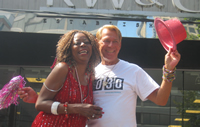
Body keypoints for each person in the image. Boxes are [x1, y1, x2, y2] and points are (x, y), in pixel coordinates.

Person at [18, 25, 181, 127]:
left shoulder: (133, 70)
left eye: (115, 41)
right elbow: (75, 102)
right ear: (96, 43)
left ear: (120, 44)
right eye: (106, 41)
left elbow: (161, 99)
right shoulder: (88, 71)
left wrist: (168, 70)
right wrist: (39, 98)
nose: (111, 45)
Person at [18, 30, 103, 127]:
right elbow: (40, 104)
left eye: (86, 42)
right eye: (77, 43)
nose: (83, 44)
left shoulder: (90, 76)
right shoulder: (63, 68)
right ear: (69, 49)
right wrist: (77, 108)